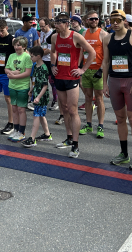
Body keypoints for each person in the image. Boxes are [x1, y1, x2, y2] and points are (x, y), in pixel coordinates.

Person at [103, 10, 132, 171]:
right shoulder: (108, 38)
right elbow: (106, 62)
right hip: (114, 81)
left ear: (124, 20)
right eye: (112, 20)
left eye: (117, 20)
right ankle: (124, 153)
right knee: (120, 118)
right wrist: (105, 83)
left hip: (130, 81)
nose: (114, 23)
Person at [51, 12, 96, 159]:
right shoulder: (54, 37)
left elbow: (92, 52)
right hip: (59, 76)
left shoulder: (75, 36)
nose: (56, 25)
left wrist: (82, 69)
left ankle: (76, 145)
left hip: (72, 77)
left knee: (72, 110)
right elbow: (53, 51)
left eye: (58, 23)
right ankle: (69, 137)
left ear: (66, 23)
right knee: (64, 109)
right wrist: (53, 65)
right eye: (55, 22)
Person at [79, 11, 108, 139]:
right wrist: (79, 68)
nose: (94, 21)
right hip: (86, 70)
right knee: (87, 98)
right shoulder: (83, 34)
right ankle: (89, 124)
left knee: (99, 98)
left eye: (96, 19)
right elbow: (81, 51)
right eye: (91, 19)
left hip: (98, 70)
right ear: (86, 20)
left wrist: (102, 69)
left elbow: (107, 55)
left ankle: (100, 126)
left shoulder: (103, 34)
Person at [22, 46, 53, 147]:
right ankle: (47, 134)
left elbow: (45, 86)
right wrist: (31, 90)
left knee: (36, 116)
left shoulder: (44, 68)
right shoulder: (35, 66)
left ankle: (32, 138)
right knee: (41, 115)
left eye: (32, 56)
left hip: (41, 97)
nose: (30, 58)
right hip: (36, 94)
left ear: (38, 56)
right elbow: (34, 80)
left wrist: (38, 97)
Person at [5, 37, 34, 142]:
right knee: (14, 108)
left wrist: (14, 76)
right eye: (15, 45)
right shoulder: (12, 55)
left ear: (24, 46)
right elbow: (6, 68)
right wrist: (12, 73)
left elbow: (27, 73)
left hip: (22, 86)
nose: (16, 47)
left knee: (21, 109)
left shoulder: (27, 57)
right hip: (12, 86)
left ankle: (22, 132)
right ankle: (16, 130)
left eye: (19, 45)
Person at [38, 18, 58, 111]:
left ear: (48, 25)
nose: (41, 28)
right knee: (42, 80)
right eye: (40, 26)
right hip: (42, 59)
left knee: (52, 81)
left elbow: (50, 50)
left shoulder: (52, 34)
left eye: (43, 26)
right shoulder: (42, 33)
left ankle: (55, 100)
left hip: (50, 60)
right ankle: (42, 98)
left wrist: (39, 54)